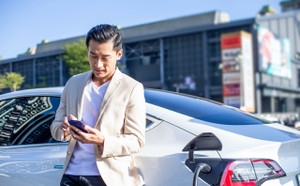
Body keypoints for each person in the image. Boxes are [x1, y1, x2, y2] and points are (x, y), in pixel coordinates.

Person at [50, 24, 146, 186]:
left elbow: (136, 141)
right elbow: (55, 129)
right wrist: (64, 130)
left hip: (107, 178)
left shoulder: (131, 88)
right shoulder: (73, 83)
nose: (98, 64)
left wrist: (102, 140)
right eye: (93, 56)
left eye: (105, 57)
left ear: (119, 54)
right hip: (70, 176)